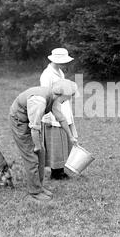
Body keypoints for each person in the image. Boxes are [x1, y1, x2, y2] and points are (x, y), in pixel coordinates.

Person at [9, 79, 78, 203]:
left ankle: (39, 187)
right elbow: (34, 126)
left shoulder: (54, 98)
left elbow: (61, 118)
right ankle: (34, 193)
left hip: (32, 123)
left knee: (42, 153)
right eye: (65, 99)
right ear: (58, 95)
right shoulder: (39, 101)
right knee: (32, 156)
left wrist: (71, 136)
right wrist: (36, 145)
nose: (66, 101)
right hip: (20, 122)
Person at [40, 48, 78, 180]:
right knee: (55, 142)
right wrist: (49, 116)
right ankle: (55, 171)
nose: (65, 64)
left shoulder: (60, 72)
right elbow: (45, 95)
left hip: (62, 108)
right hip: (53, 111)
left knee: (63, 140)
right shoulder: (47, 75)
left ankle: (60, 169)